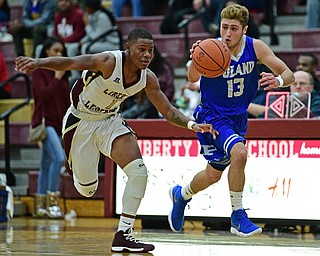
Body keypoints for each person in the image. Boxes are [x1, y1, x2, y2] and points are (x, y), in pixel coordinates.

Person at [15, 27, 216, 252]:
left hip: (110, 121)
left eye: (150, 51)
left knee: (139, 172)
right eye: (141, 50)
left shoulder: (148, 79)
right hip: (80, 122)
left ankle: (124, 234)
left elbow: (168, 111)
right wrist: (38, 62)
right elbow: (70, 62)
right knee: (87, 190)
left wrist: (191, 124)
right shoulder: (108, 61)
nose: (147, 55)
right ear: (127, 48)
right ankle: (75, 162)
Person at [168, 3, 295, 237]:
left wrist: (277, 82)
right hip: (212, 116)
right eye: (224, 27)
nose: (227, 34)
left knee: (213, 175)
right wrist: (196, 59)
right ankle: (237, 215)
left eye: (233, 28)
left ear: (244, 29)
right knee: (240, 153)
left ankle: (181, 194)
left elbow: (289, 74)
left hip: (237, 118)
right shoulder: (211, 48)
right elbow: (192, 77)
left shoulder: (256, 48)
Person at [31, 37, 70, 218]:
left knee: (45, 164)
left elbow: (65, 102)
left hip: (58, 123)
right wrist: (56, 77)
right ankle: (53, 204)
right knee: (58, 158)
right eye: (55, 50)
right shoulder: (39, 72)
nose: (59, 54)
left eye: (61, 51)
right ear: (46, 51)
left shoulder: (64, 74)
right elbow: (44, 95)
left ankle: (40, 206)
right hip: (44, 122)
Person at [248, 70, 320, 118]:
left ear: (311, 87)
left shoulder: (317, 101)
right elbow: (266, 116)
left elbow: (313, 118)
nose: (298, 87)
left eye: (302, 84)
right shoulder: (284, 100)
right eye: (294, 84)